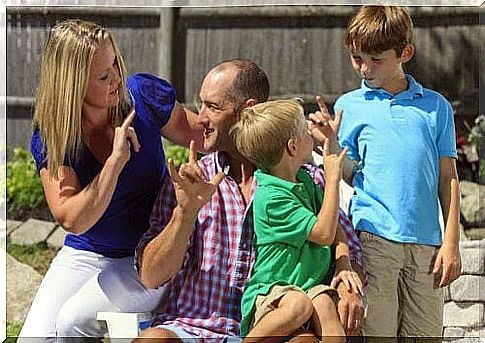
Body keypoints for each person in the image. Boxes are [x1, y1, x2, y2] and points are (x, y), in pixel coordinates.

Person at [134, 59, 365, 342]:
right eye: (201, 104)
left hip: (276, 327)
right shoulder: (192, 181)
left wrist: (346, 278)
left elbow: (348, 247)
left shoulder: (304, 181)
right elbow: (150, 276)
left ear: (248, 110)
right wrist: (185, 212)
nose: (200, 118)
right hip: (194, 326)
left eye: (213, 107)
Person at [19, 19, 202, 341]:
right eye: (104, 75)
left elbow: (203, 135)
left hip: (149, 255)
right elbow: (72, 219)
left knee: (73, 320)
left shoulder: (142, 96)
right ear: (72, 84)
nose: (117, 78)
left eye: (115, 63)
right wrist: (115, 162)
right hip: (86, 252)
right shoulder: (56, 134)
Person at [325, 5, 461, 338]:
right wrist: (329, 145)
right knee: (378, 333)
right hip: (373, 238)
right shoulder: (348, 106)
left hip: (428, 243)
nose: (364, 69)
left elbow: (449, 177)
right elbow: (343, 172)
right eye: (357, 59)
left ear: (405, 53)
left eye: (376, 59)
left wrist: (452, 242)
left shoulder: (435, 106)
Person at [230, 99, 363, 342]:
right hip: (274, 292)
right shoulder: (271, 197)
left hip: (309, 287)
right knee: (298, 304)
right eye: (304, 129)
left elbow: (335, 230)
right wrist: (333, 179)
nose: (310, 130)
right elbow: (323, 233)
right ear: (292, 147)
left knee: (324, 303)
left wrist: (344, 263)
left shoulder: (304, 180)